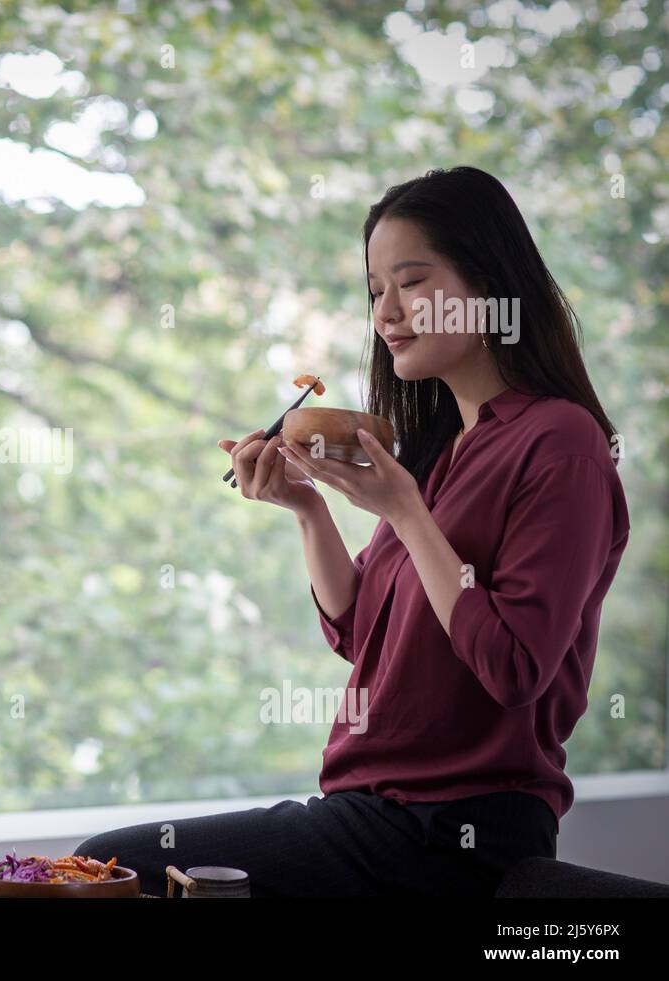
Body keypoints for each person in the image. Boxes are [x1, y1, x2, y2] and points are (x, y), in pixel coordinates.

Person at [74, 166, 630, 897]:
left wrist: (405, 511)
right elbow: (359, 629)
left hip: (453, 836)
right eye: (375, 291)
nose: (387, 312)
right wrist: (310, 511)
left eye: (413, 282)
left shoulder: (560, 441)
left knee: (107, 870)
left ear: (491, 285)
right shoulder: (443, 454)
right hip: (370, 819)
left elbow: (517, 666)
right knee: (101, 869)